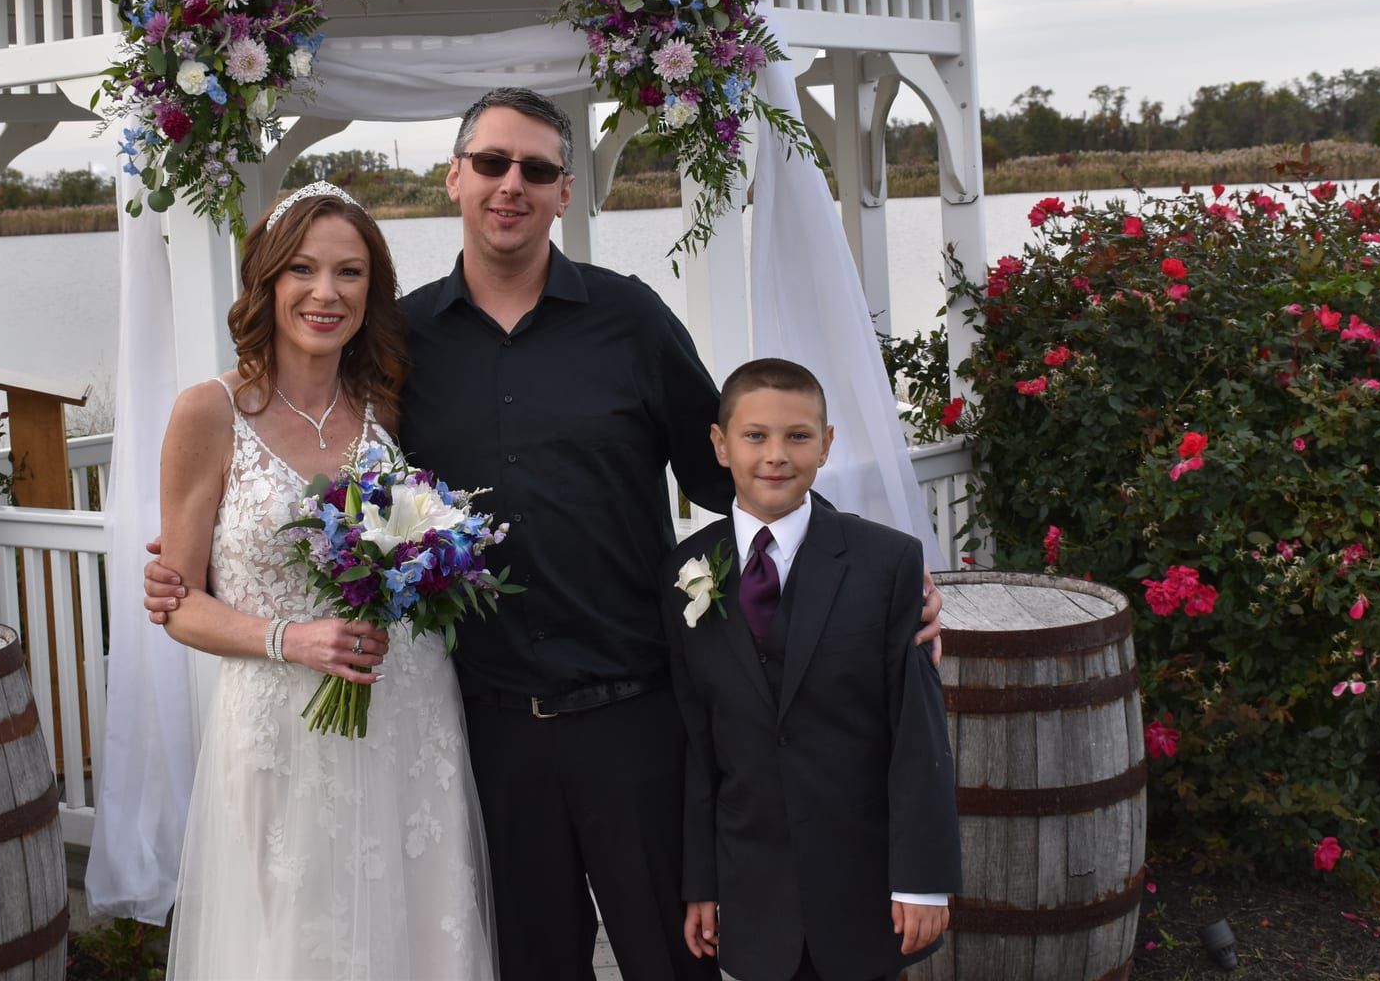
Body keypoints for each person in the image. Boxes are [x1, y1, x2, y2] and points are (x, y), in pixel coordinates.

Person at [148, 87, 944, 980]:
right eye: (490, 163)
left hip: (636, 716)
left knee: (669, 963)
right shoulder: (401, 353)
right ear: (454, 178)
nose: (510, 185)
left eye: (536, 169)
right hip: (483, 734)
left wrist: (861, 579)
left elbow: (739, 476)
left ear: (568, 192)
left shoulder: (632, 320)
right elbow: (319, 485)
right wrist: (206, 577)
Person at [153, 182, 493, 980]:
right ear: (266, 284)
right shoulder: (208, 413)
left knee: (421, 931)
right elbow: (179, 605)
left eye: (349, 272)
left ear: (372, 290)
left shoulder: (387, 406)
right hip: (281, 728)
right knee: (296, 942)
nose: (325, 292)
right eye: (302, 270)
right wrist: (289, 638)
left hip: (407, 713)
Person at [668, 358, 961, 981]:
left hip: (862, 885)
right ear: (721, 446)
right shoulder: (683, 572)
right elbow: (698, 744)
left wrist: (924, 881)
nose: (776, 454)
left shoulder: (888, 563)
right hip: (751, 890)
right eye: (755, 436)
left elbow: (919, 734)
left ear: (826, 446)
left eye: (798, 436)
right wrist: (701, 882)